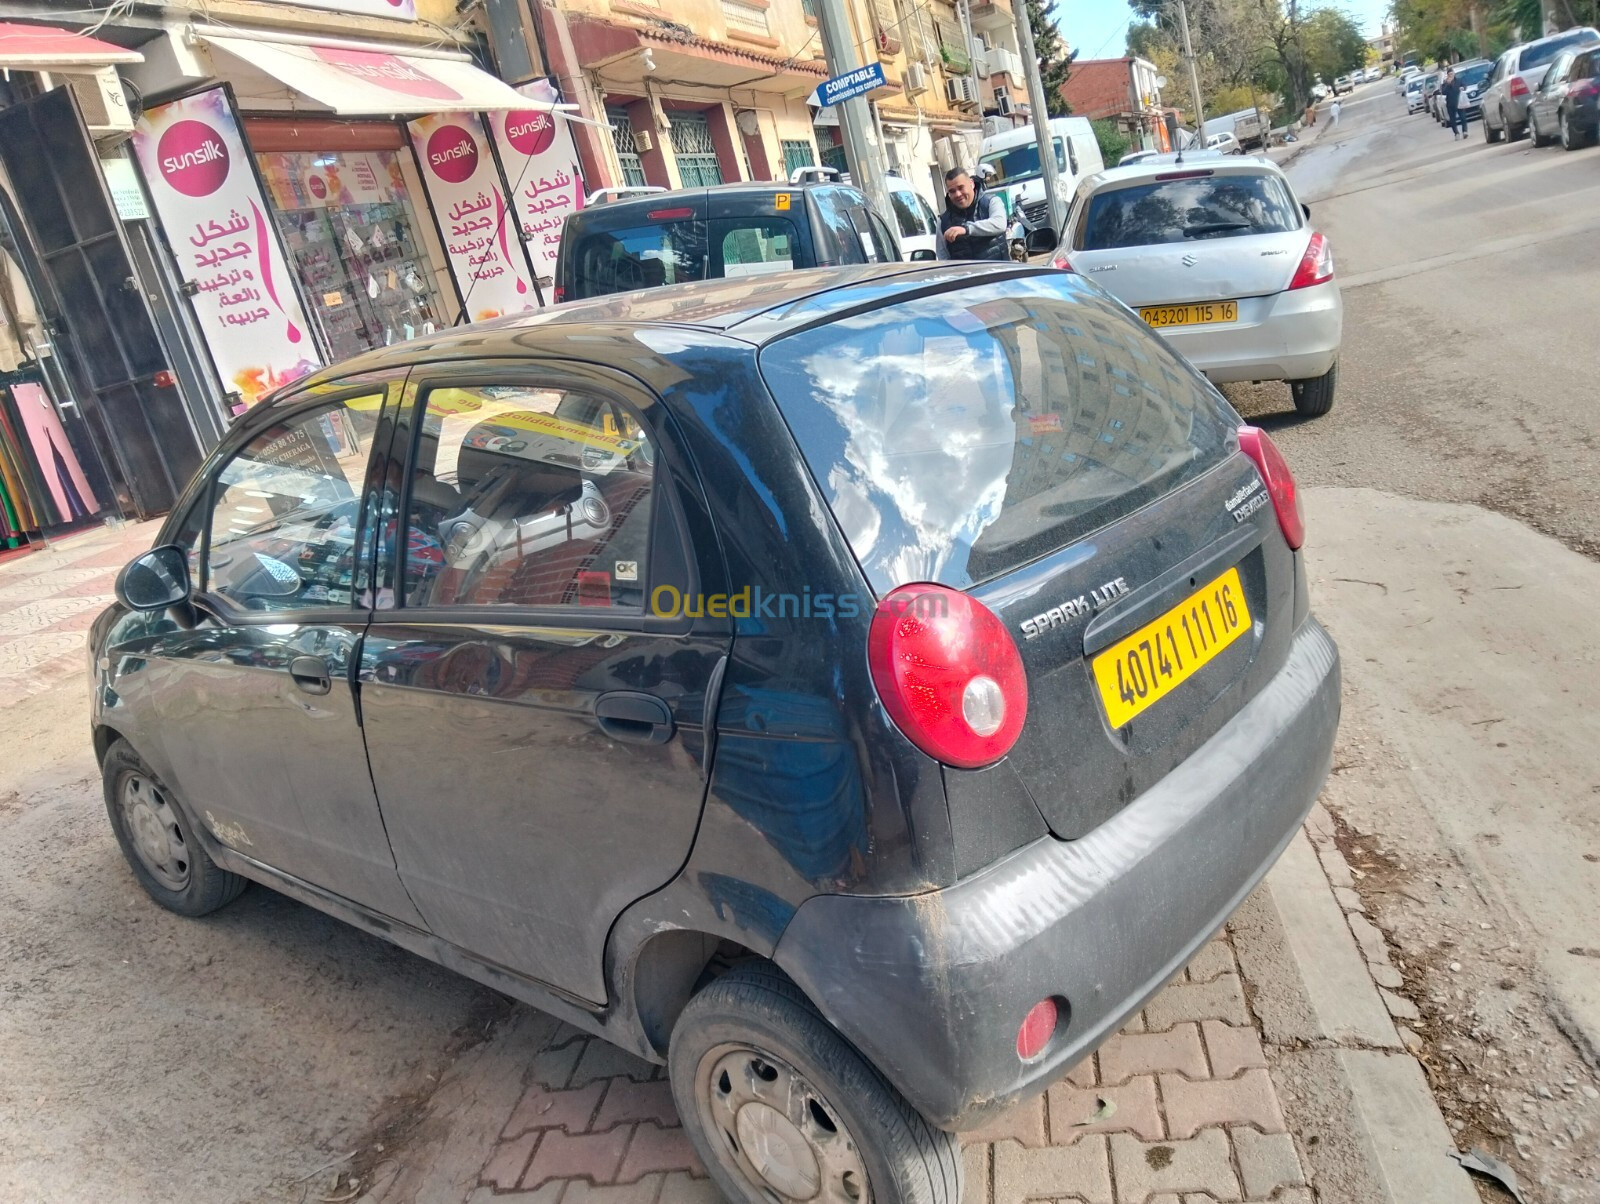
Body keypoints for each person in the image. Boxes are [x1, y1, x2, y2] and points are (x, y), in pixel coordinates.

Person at [938, 168, 1008, 261]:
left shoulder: (991, 202)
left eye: (961, 187)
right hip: (966, 275)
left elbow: (1000, 224)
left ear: (972, 183)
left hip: (997, 272)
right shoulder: (943, 221)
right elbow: (943, 258)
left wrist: (967, 229)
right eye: (952, 191)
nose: (958, 194)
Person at [1440, 67, 1467, 139]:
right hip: (1450, 104)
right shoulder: (1445, 83)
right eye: (1449, 74)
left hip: (1459, 102)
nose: (1451, 75)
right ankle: (1456, 133)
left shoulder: (1458, 80)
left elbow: (1464, 86)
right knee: (1453, 120)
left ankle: (1465, 131)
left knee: (1463, 117)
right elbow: (1443, 92)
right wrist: (1448, 84)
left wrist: (1463, 88)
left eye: (1452, 73)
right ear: (1447, 75)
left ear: (1454, 73)